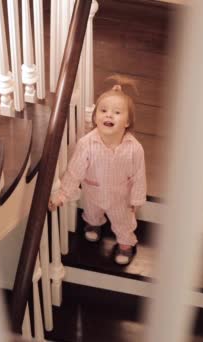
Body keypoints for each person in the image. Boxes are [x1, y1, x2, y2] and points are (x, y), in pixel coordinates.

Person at [49, 75, 147, 265]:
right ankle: (94, 225)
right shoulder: (87, 144)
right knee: (92, 212)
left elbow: (139, 175)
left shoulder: (134, 148)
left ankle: (125, 244)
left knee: (123, 222)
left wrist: (136, 199)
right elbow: (74, 171)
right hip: (93, 190)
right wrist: (63, 194)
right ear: (95, 117)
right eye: (103, 111)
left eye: (117, 112)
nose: (109, 115)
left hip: (121, 197)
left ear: (127, 122)